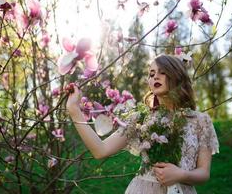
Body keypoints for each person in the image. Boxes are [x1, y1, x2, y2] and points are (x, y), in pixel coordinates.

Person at [66, 54, 219, 194]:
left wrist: (181, 174)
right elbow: (101, 150)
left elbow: (204, 174)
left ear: (177, 75)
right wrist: (74, 110)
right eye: (151, 74)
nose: (155, 77)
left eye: (162, 72)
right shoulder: (141, 119)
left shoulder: (200, 121)